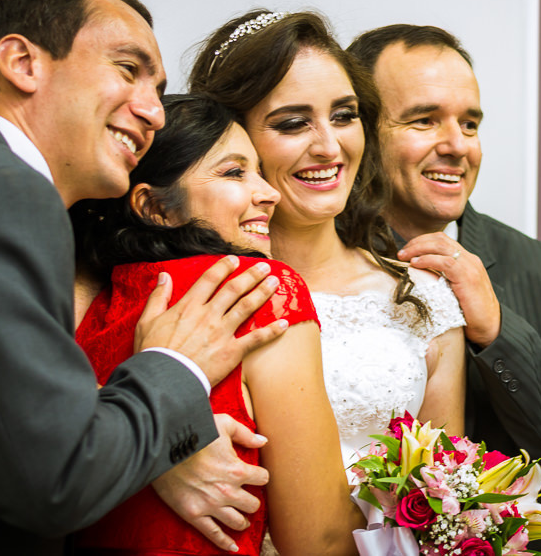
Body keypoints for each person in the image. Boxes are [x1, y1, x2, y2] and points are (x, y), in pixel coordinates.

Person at [0, 0, 284, 556]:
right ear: (22, 62)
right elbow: (53, 482)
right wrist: (176, 365)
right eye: (128, 71)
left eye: (157, 89)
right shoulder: (0, 188)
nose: (153, 113)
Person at [347, 24, 541, 545]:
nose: (458, 146)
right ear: (363, 132)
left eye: (470, 123)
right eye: (424, 120)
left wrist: (499, 331)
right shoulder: (312, 259)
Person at [70, 94, 360, 556]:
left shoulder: (97, 304)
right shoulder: (257, 289)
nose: (270, 194)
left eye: (260, 172)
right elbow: (318, 540)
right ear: (156, 208)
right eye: (234, 172)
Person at [189, 12, 467, 477]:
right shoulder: (187, 291)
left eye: (344, 116)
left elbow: (448, 499)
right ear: (232, 135)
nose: (330, 147)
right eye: (294, 123)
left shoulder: (424, 297)